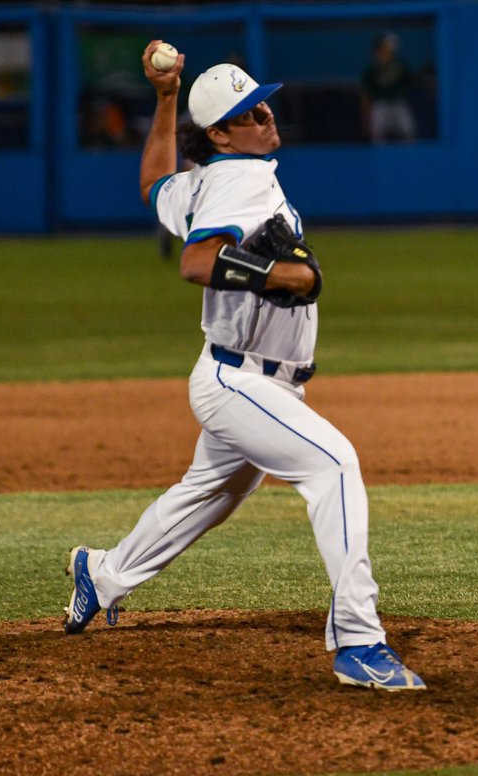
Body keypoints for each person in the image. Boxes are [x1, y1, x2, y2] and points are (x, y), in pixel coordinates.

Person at [61, 40, 426, 692]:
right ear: (223, 133)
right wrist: (273, 273)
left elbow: (152, 184)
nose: (266, 118)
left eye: (263, 105)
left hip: (248, 377)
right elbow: (196, 264)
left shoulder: (206, 180)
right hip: (240, 381)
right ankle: (358, 642)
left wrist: (166, 99)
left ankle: (104, 572)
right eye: (251, 113)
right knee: (334, 465)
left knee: (214, 492)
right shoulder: (239, 179)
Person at [361, 32, 417, 143]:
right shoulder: (371, 70)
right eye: (383, 48)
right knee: (378, 137)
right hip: (380, 105)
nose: (387, 51)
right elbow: (366, 94)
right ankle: (379, 159)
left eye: (389, 48)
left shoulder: (400, 65)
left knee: (409, 133)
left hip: (398, 102)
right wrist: (366, 116)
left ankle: (409, 159)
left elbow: (411, 81)